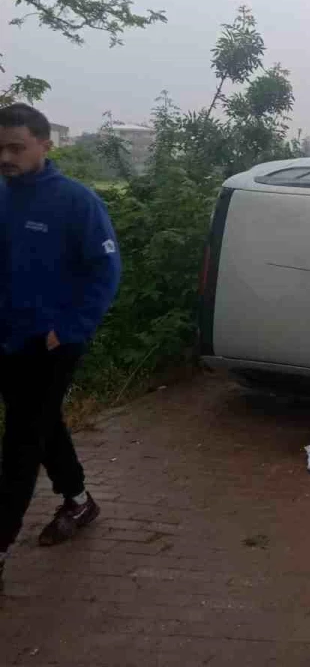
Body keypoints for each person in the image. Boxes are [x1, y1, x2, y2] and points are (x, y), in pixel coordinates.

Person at [0, 104, 121, 591]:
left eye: (16, 147)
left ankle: (1, 543)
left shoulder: (77, 203)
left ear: (45, 144)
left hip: (51, 343)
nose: (5, 157)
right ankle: (77, 500)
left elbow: (105, 271)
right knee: (41, 424)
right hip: (6, 336)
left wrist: (72, 327)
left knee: (20, 444)